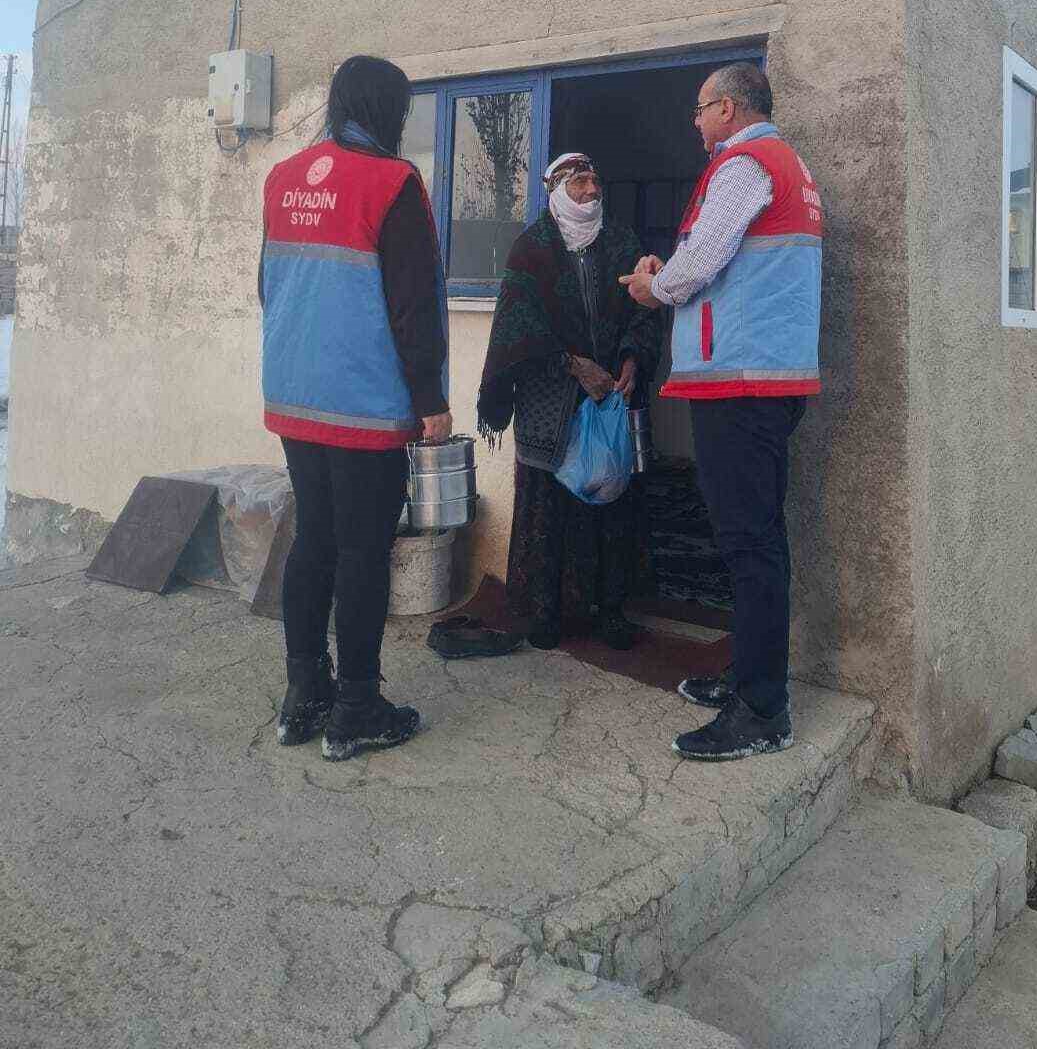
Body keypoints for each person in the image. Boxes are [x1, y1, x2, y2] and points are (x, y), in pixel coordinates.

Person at [621, 62, 822, 761]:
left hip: (744, 381)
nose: (696, 122)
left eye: (701, 110)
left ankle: (762, 711)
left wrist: (654, 287)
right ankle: (748, 677)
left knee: (750, 544)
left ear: (728, 109)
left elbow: (703, 257)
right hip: (763, 376)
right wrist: (668, 276)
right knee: (752, 539)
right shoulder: (781, 163)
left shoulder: (746, 163)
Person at [259, 54, 451, 762]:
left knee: (313, 540)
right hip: (365, 401)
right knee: (362, 551)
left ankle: (303, 695)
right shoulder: (393, 182)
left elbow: (267, 285)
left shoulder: (282, 179)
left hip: (295, 396)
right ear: (387, 111)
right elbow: (412, 305)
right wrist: (428, 398)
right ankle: (358, 707)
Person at [477, 153, 662, 649]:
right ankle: (544, 611)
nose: (591, 188)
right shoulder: (531, 249)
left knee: (610, 494)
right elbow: (518, 326)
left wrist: (630, 361)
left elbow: (645, 309)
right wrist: (573, 365)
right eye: (579, 181)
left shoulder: (622, 242)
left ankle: (611, 611)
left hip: (609, 398)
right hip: (551, 397)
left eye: (595, 179)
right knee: (550, 501)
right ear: (557, 189)